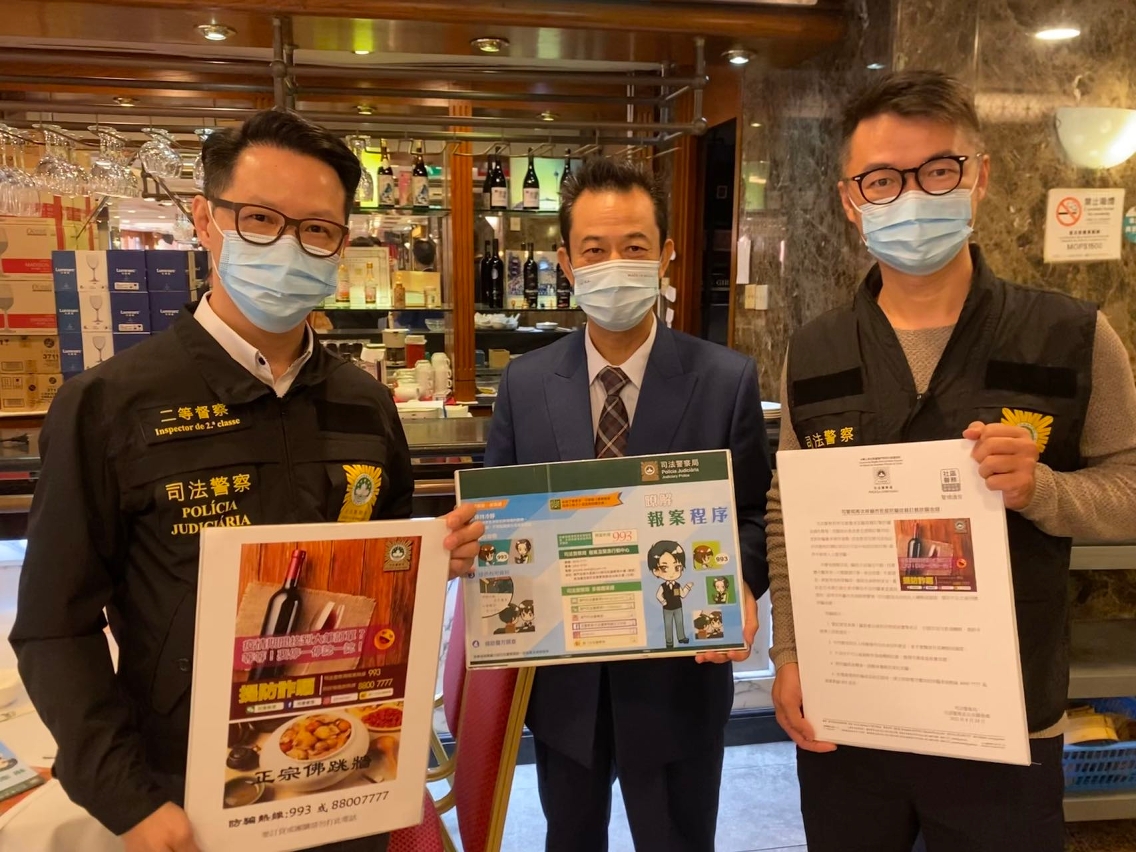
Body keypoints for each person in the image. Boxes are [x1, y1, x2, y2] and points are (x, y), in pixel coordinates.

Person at [9, 110, 484, 852]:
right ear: (206, 220)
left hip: (343, 774)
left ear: (341, 245)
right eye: (261, 219)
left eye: (317, 229)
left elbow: (378, 574)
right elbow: (53, 625)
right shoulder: (109, 406)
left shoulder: (364, 404)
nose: (288, 246)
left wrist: (426, 560)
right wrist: (126, 799)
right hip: (189, 795)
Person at [767, 70, 1136, 852]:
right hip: (854, 711)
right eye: (882, 180)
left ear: (979, 178)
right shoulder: (817, 350)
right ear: (850, 200)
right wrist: (791, 651)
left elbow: (1130, 485)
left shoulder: (1071, 337)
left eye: (937, 170)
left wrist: (1044, 490)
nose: (910, 196)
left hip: (1004, 721)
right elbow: (787, 511)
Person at [484, 157, 772, 852]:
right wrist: (476, 546)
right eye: (594, 250)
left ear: (666, 254)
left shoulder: (725, 379)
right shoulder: (525, 384)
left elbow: (754, 515)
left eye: (634, 247)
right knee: (570, 838)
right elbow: (498, 521)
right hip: (565, 689)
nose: (614, 264)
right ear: (565, 262)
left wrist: (743, 579)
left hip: (679, 684)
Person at [648, 540, 694, 648]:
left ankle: (681, 637)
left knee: (679, 622)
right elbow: (658, 595)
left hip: (678, 607)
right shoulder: (663, 586)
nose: (672, 572)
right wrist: (663, 602)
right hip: (667, 608)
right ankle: (669, 642)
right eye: (664, 568)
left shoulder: (677, 585)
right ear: (655, 571)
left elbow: (682, 594)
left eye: (677, 567)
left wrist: (688, 587)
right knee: (668, 625)